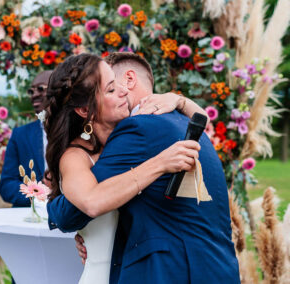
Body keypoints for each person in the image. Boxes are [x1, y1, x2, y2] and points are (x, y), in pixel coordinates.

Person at [46, 53, 240, 283]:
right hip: (217, 267)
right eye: (110, 88)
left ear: (130, 78)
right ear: (84, 110)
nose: (122, 91)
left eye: (117, 83)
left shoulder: (138, 129)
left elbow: (72, 213)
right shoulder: (184, 121)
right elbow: (84, 205)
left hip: (174, 270)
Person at [0, 70, 52, 207]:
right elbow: (7, 185)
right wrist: (39, 195)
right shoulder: (20, 134)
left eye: (41, 89)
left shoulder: (75, 131)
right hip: (30, 213)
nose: (34, 95)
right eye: (31, 91)